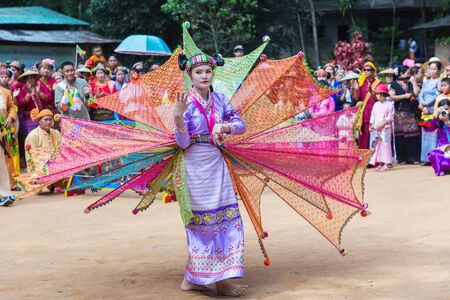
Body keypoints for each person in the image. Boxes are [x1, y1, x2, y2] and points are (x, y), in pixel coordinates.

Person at [174, 52, 248, 296]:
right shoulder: (184, 103)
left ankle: (218, 279)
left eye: (207, 71)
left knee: (226, 219)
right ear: (190, 75)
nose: (204, 75)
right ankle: (202, 278)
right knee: (202, 222)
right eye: (199, 72)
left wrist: (224, 126)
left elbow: (241, 125)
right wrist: (177, 118)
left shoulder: (221, 100)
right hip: (194, 167)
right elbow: (183, 144)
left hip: (217, 164)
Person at [388, 65, 420, 164]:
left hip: (410, 113)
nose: (409, 75)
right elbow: (391, 96)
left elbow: (416, 93)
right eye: (407, 73)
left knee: (413, 135)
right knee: (400, 136)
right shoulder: (394, 84)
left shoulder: (410, 83)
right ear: (401, 74)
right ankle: (402, 158)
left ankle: (413, 157)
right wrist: (404, 96)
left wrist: (414, 82)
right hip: (399, 114)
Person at [418, 60, 442, 164]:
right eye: (430, 69)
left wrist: (426, 104)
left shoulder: (440, 81)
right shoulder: (426, 81)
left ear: (439, 70)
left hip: (433, 109)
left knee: (433, 134)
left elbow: (437, 94)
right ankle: (425, 158)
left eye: (434, 69)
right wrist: (422, 104)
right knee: (425, 134)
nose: (432, 71)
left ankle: (433, 157)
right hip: (425, 110)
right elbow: (421, 93)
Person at [354, 61, 381, 149]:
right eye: (364, 70)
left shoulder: (378, 84)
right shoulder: (361, 83)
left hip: (375, 114)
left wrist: (371, 91)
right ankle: (364, 159)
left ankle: (374, 160)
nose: (366, 72)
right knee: (364, 137)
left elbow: (379, 98)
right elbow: (356, 99)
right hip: (364, 114)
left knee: (374, 137)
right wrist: (356, 90)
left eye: (368, 70)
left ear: (373, 71)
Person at [369, 83, 394, 171]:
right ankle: (380, 162)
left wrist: (382, 123)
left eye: (378, 94)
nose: (376, 95)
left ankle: (387, 163)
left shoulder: (390, 104)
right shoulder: (376, 104)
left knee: (386, 145)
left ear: (383, 94)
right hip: (376, 127)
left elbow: (390, 117)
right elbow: (373, 115)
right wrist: (372, 124)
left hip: (385, 128)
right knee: (377, 145)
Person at [0, 83, 17, 206]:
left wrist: (10, 117)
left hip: (4, 132)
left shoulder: (5, 92)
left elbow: (12, 107)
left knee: (3, 163)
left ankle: (4, 194)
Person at [427, 98, 450, 176]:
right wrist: (436, 116)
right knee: (433, 155)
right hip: (443, 147)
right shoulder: (439, 119)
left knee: (446, 163)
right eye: (442, 109)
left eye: (447, 109)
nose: (445, 111)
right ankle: (441, 169)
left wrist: (447, 121)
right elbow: (431, 128)